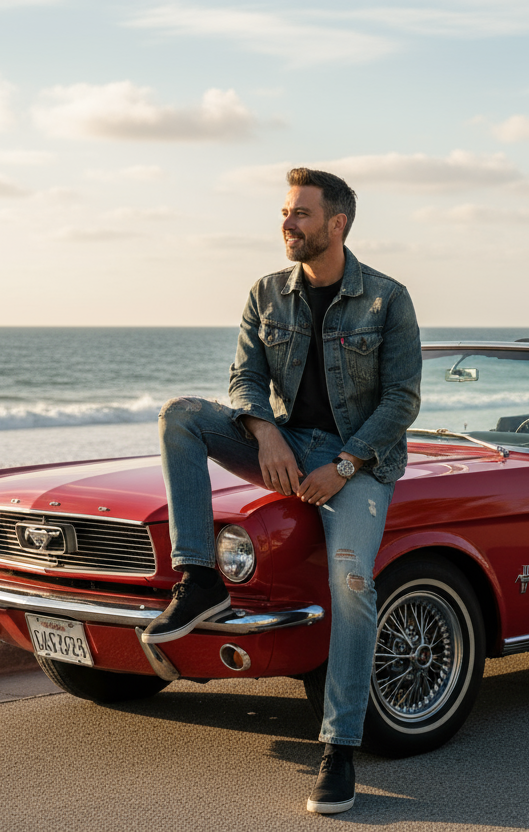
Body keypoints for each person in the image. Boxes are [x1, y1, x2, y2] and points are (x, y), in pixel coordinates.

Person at [144, 167, 422, 815]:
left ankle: (340, 748)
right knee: (181, 415)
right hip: (288, 441)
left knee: (352, 583)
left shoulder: (386, 299)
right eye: (285, 211)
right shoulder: (267, 293)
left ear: (337, 223)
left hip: (362, 460)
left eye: (300, 213)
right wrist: (264, 431)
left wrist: (346, 465)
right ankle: (200, 580)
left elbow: (402, 400)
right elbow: (244, 376)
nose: (286, 223)